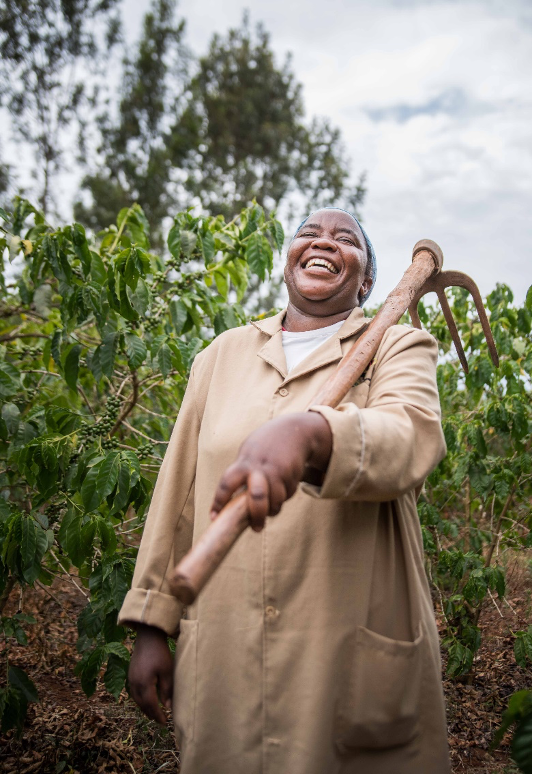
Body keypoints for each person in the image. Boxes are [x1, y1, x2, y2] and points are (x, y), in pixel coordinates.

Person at [118, 208, 451, 774]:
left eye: (346, 240)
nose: (324, 243)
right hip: (224, 639)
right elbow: (177, 493)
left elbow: (411, 437)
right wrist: (153, 622)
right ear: (288, 261)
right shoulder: (219, 356)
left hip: (344, 644)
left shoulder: (399, 344)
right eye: (309, 234)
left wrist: (315, 432)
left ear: (366, 280)